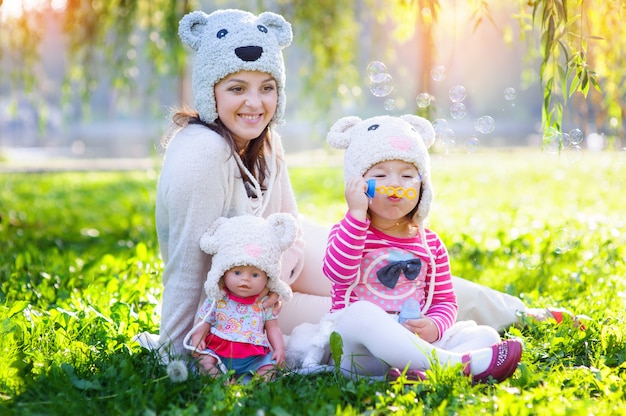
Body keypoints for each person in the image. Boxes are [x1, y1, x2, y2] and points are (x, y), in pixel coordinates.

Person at [137, 7, 580, 362]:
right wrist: (177, 348)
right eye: (237, 88)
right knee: (372, 311)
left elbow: (287, 217)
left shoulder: (264, 139)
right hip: (240, 291)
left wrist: (293, 258)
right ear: (209, 91)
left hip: (279, 260)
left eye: (267, 87)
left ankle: (520, 313)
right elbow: (185, 262)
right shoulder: (200, 152)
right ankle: (444, 358)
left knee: (395, 267)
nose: (255, 104)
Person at [313, 113, 521, 383]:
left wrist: (434, 327)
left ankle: (413, 372)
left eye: (407, 175)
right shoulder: (348, 231)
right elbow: (338, 274)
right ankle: (454, 365)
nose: (395, 185)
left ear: (423, 187)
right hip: (362, 354)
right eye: (379, 174)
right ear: (358, 184)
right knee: (358, 315)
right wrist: (356, 214)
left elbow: (445, 301)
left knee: (485, 335)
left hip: (416, 342)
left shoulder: (430, 244)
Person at [185, 213, 296, 379]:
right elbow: (204, 320)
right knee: (204, 360)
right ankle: (220, 381)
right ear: (223, 273)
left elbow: (273, 328)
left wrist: (279, 349)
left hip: (253, 356)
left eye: (255, 275)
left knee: (269, 366)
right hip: (218, 350)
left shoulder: (264, 302)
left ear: (268, 277)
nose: (245, 279)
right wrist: (197, 336)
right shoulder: (218, 298)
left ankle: (258, 383)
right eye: (237, 272)